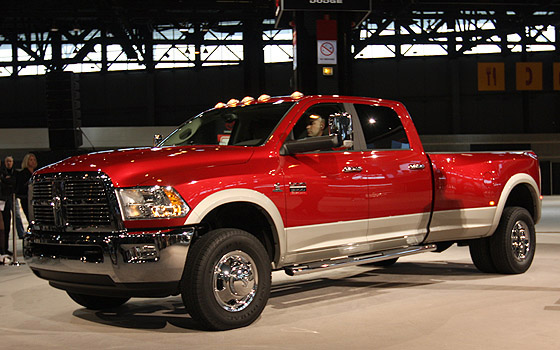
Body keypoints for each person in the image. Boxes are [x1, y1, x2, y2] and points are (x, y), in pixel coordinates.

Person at [1, 156, 21, 253]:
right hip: (3, 200)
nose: (8, 163)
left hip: (9, 199)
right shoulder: (2, 173)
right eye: (7, 161)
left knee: (7, 224)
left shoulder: (14, 173)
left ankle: (5, 248)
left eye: (10, 161)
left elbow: (13, 182)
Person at [16, 153, 37, 238]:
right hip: (26, 199)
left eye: (34, 160)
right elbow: (20, 187)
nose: (32, 161)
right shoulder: (22, 173)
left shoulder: (36, 172)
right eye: (30, 160)